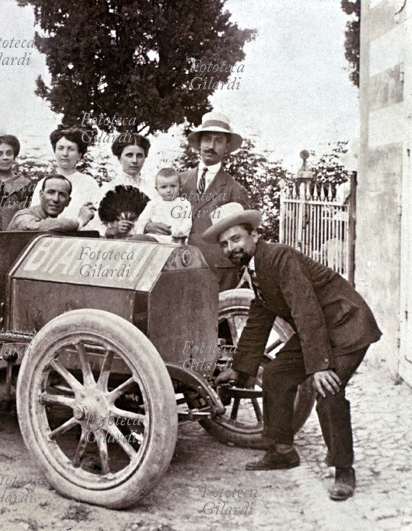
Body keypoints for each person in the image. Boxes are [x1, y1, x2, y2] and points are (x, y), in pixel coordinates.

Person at [208, 203, 381, 502]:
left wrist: (319, 366)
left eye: (236, 239)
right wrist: (241, 367)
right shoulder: (255, 265)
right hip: (320, 329)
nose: (230, 248)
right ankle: (282, 451)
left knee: (328, 390)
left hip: (346, 326)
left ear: (254, 235)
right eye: (224, 244)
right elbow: (261, 313)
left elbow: (305, 309)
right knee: (276, 374)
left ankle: (343, 470)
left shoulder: (279, 257)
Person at [173, 111, 250, 291]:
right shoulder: (177, 182)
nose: (211, 146)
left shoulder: (235, 190)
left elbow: (244, 238)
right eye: (207, 139)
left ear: (227, 147)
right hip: (179, 266)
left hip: (218, 271)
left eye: (219, 141)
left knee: (215, 318)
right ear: (199, 144)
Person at [29, 127, 101, 229]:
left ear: (79, 154)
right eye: (60, 148)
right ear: (54, 151)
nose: (65, 154)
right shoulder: (44, 182)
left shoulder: (89, 184)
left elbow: (95, 219)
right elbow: (34, 217)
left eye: (71, 149)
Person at [100, 133, 154, 238]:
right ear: (119, 158)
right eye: (129, 155)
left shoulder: (152, 191)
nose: (134, 161)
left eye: (139, 155)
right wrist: (113, 230)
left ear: (145, 158)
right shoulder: (107, 189)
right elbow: (93, 226)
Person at [7, 175, 95, 232]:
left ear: (68, 202)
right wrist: (80, 220)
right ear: (41, 195)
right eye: (51, 192)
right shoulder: (23, 217)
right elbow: (42, 227)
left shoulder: (58, 225)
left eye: (62, 195)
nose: (56, 199)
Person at [140, 168, 193, 243]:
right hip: (155, 238)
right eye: (163, 187)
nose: (169, 190)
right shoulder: (153, 204)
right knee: (139, 239)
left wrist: (180, 231)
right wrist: (144, 227)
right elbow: (142, 220)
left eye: (173, 186)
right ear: (157, 189)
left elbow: (187, 222)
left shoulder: (184, 203)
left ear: (180, 187)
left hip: (175, 238)